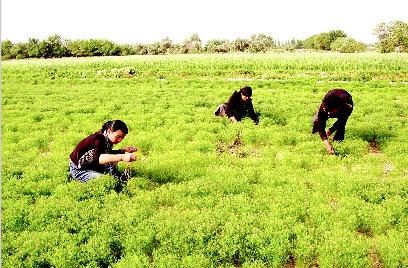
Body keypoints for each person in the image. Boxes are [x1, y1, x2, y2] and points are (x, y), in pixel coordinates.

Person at [69, 120, 137, 182]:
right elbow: (98, 158)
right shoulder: (98, 140)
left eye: (122, 137)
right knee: (104, 180)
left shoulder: (106, 138)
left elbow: (106, 153)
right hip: (79, 169)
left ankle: (117, 178)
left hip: (91, 165)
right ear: (109, 131)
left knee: (111, 162)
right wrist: (122, 157)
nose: (120, 140)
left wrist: (123, 150)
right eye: (118, 137)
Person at [312, 89, 353, 154]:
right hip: (330, 103)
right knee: (317, 121)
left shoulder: (347, 106)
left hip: (343, 104)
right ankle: (315, 135)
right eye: (327, 111)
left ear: (338, 109)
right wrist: (326, 143)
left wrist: (331, 130)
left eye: (330, 112)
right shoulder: (324, 106)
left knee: (341, 125)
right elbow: (321, 123)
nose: (328, 113)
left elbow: (341, 121)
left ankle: (338, 143)